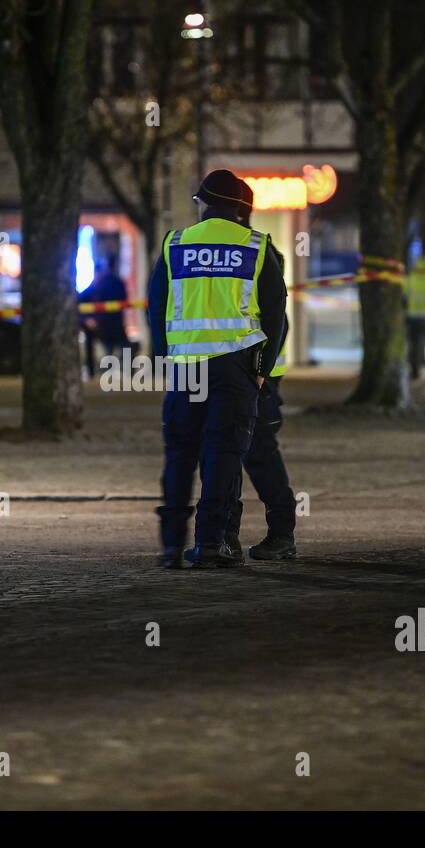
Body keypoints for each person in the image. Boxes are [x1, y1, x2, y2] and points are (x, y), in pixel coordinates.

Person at [148, 169, 286, 569]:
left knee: (180, 455)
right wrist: (262, 368)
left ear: (204, 204)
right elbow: (275, 313)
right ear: (243, 210)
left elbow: (157, 307)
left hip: (186, 367)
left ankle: (171, 546)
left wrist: (166, 359)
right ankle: (211, 544)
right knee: (223, 454)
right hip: (235, 366)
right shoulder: (256, 246)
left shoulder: (175, 244)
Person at [221, 185, 297, 561]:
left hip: (256, 374)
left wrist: (262, 370)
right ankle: (228, 535)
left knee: (256, 453)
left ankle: (280, 534)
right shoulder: (255, 249)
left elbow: (276, 318)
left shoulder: (260, 250)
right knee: (234, 452)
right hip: (246, 372)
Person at [80, 258, 129, 377]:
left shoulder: (97, 286)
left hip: (105, 326)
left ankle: (97, 370)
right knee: (121, 346)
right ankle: (122, 370)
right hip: (111, 326)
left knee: (111, 347)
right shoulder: (116, 283)